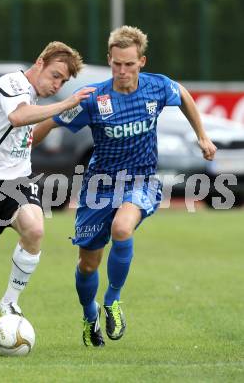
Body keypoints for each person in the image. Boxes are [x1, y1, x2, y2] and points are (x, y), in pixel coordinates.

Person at [32, 26, 217, 347]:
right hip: (99, 188)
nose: (122, 71)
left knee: (122, 228)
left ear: (141, 61)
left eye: (129, 64)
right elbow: (52, 119)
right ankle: (90, 317)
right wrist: (23, 143)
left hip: (141, 181)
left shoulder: (156, 88)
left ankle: (112, 301)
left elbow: (183, 94)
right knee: (88, 265)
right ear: (109, 60)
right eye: (116, 64)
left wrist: (201, 134)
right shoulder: (94, 98)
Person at [0, 41, 95, 338]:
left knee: (35, 229)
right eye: (55, 75)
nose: (57, 85)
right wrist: (66, 103)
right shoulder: (12, 82)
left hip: (17, 183)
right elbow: (17, 117)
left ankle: (9, 302)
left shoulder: (31, 93)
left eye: (63, 81)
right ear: (40, 62)